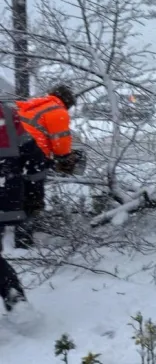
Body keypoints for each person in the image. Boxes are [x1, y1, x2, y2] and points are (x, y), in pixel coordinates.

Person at [14, 84, 78, 249]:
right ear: (67, 102)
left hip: (8, 151)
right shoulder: (58, 111)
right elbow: (61, 143)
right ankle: (23, 239)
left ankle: (12, 230)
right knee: (32, 195)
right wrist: (65, 161)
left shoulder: (34, 106)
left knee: (12, 191)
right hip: (31, 153)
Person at [0, 101, 38, 312]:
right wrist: (33, 195)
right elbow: (33, 154)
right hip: (7, 196)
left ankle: (13, 296)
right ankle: (13, 295)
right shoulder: (8, 113)